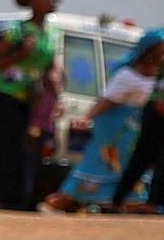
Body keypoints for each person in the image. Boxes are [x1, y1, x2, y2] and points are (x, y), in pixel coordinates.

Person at [54, 32, 159, 210]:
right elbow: (107, 100)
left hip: (134, 132)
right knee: (102, 164)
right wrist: (87, 117)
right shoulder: (127, 75)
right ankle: (61, 201)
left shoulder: (157, 77)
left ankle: (127, 203)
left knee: (131, 168)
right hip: (114, 131)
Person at [0, 0, 58, 211]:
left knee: (23, 150)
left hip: (29, 98)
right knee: (4, 148)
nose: (53, 0)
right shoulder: (17, 30)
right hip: (4, 95)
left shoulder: (52, 32)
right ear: (33, 2)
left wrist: (57, 98)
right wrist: (21, 53)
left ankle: (15, 201)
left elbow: (49, 68)